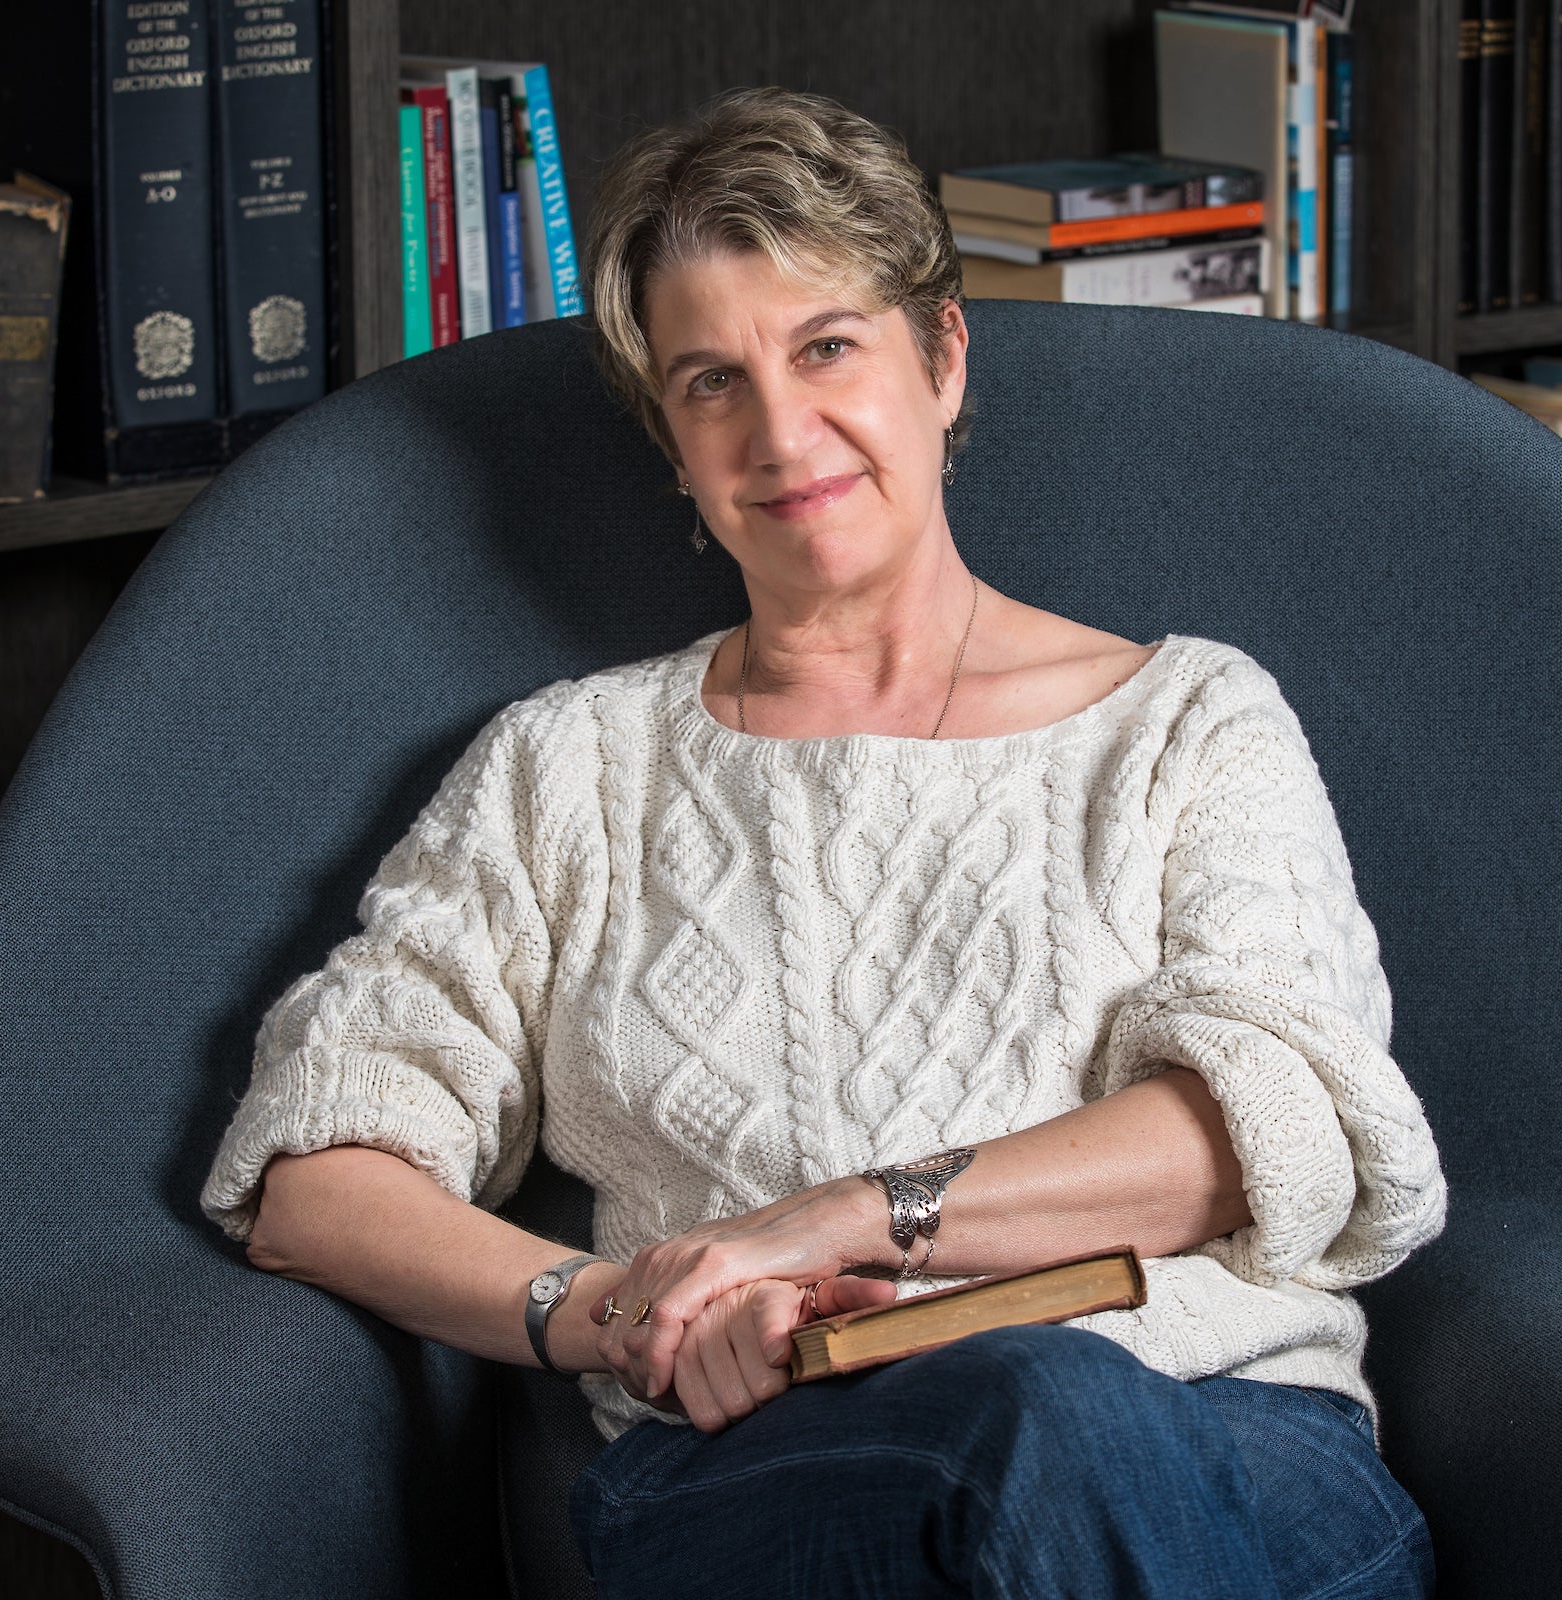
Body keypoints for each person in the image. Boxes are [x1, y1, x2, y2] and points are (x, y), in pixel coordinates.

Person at [199, 86, 1447, 1598]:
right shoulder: (571, 767)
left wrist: (841, 1221)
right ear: (672, 439)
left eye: (828, 348)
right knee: (1015, 1414)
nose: (781, 432)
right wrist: (611, 1310)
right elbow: (312, 1175)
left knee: (1046, 1404)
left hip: (1236, 1448)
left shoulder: (1188, 723)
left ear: (943, 356)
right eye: (712, 381)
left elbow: (1265, 1132)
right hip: (770, 1475)